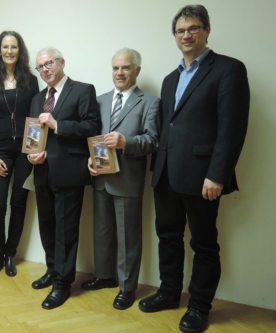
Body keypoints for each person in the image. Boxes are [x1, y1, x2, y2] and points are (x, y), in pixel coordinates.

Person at [138, 5, 250, 333]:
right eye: (181, 30)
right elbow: (167, 127)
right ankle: (170, 293)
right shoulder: (171, 78)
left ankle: (199, 306)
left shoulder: (228, 70)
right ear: (174, 36)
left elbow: (232, 128)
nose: (187, 35)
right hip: (166, 174)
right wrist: (154, 170)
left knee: (203, 243)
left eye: (194, 28)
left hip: (203, 177)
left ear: (207, 31)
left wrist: (217, 173)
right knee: (167, 237)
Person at [81, 48, 160, 310]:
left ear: (136, 70)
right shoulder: (100, 100)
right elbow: (92, 137)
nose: (119, 72)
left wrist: (126, 142)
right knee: (102, 232)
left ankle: (127, 288)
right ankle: (105, 276)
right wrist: (91, 159)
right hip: (101, 177)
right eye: (116, 68)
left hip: (128, 180)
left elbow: (153, 140)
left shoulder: (149, 102)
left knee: (128, 238)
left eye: (125, 68)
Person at [28, 47, 101, 309]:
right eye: (40, 66)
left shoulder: (83, 90)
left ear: (61, 63)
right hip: (42, 172)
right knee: (47, 225)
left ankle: (62, 283)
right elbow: (33, 135)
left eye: (49, 63)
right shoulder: (37, 98)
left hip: (69, 172)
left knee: (66, 231)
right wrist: (31, 155)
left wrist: (58, 124)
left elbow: (91, 126)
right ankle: (51, 270)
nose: (45, 69)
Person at [0, 31, 39, 277]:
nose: (9, 51)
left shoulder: (31, 80)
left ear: (20, 50)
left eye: (14, 46)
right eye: (5, 46)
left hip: (24, 151)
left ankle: (10, 254)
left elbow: (35, 117)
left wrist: (34, 149)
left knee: (18, 203)